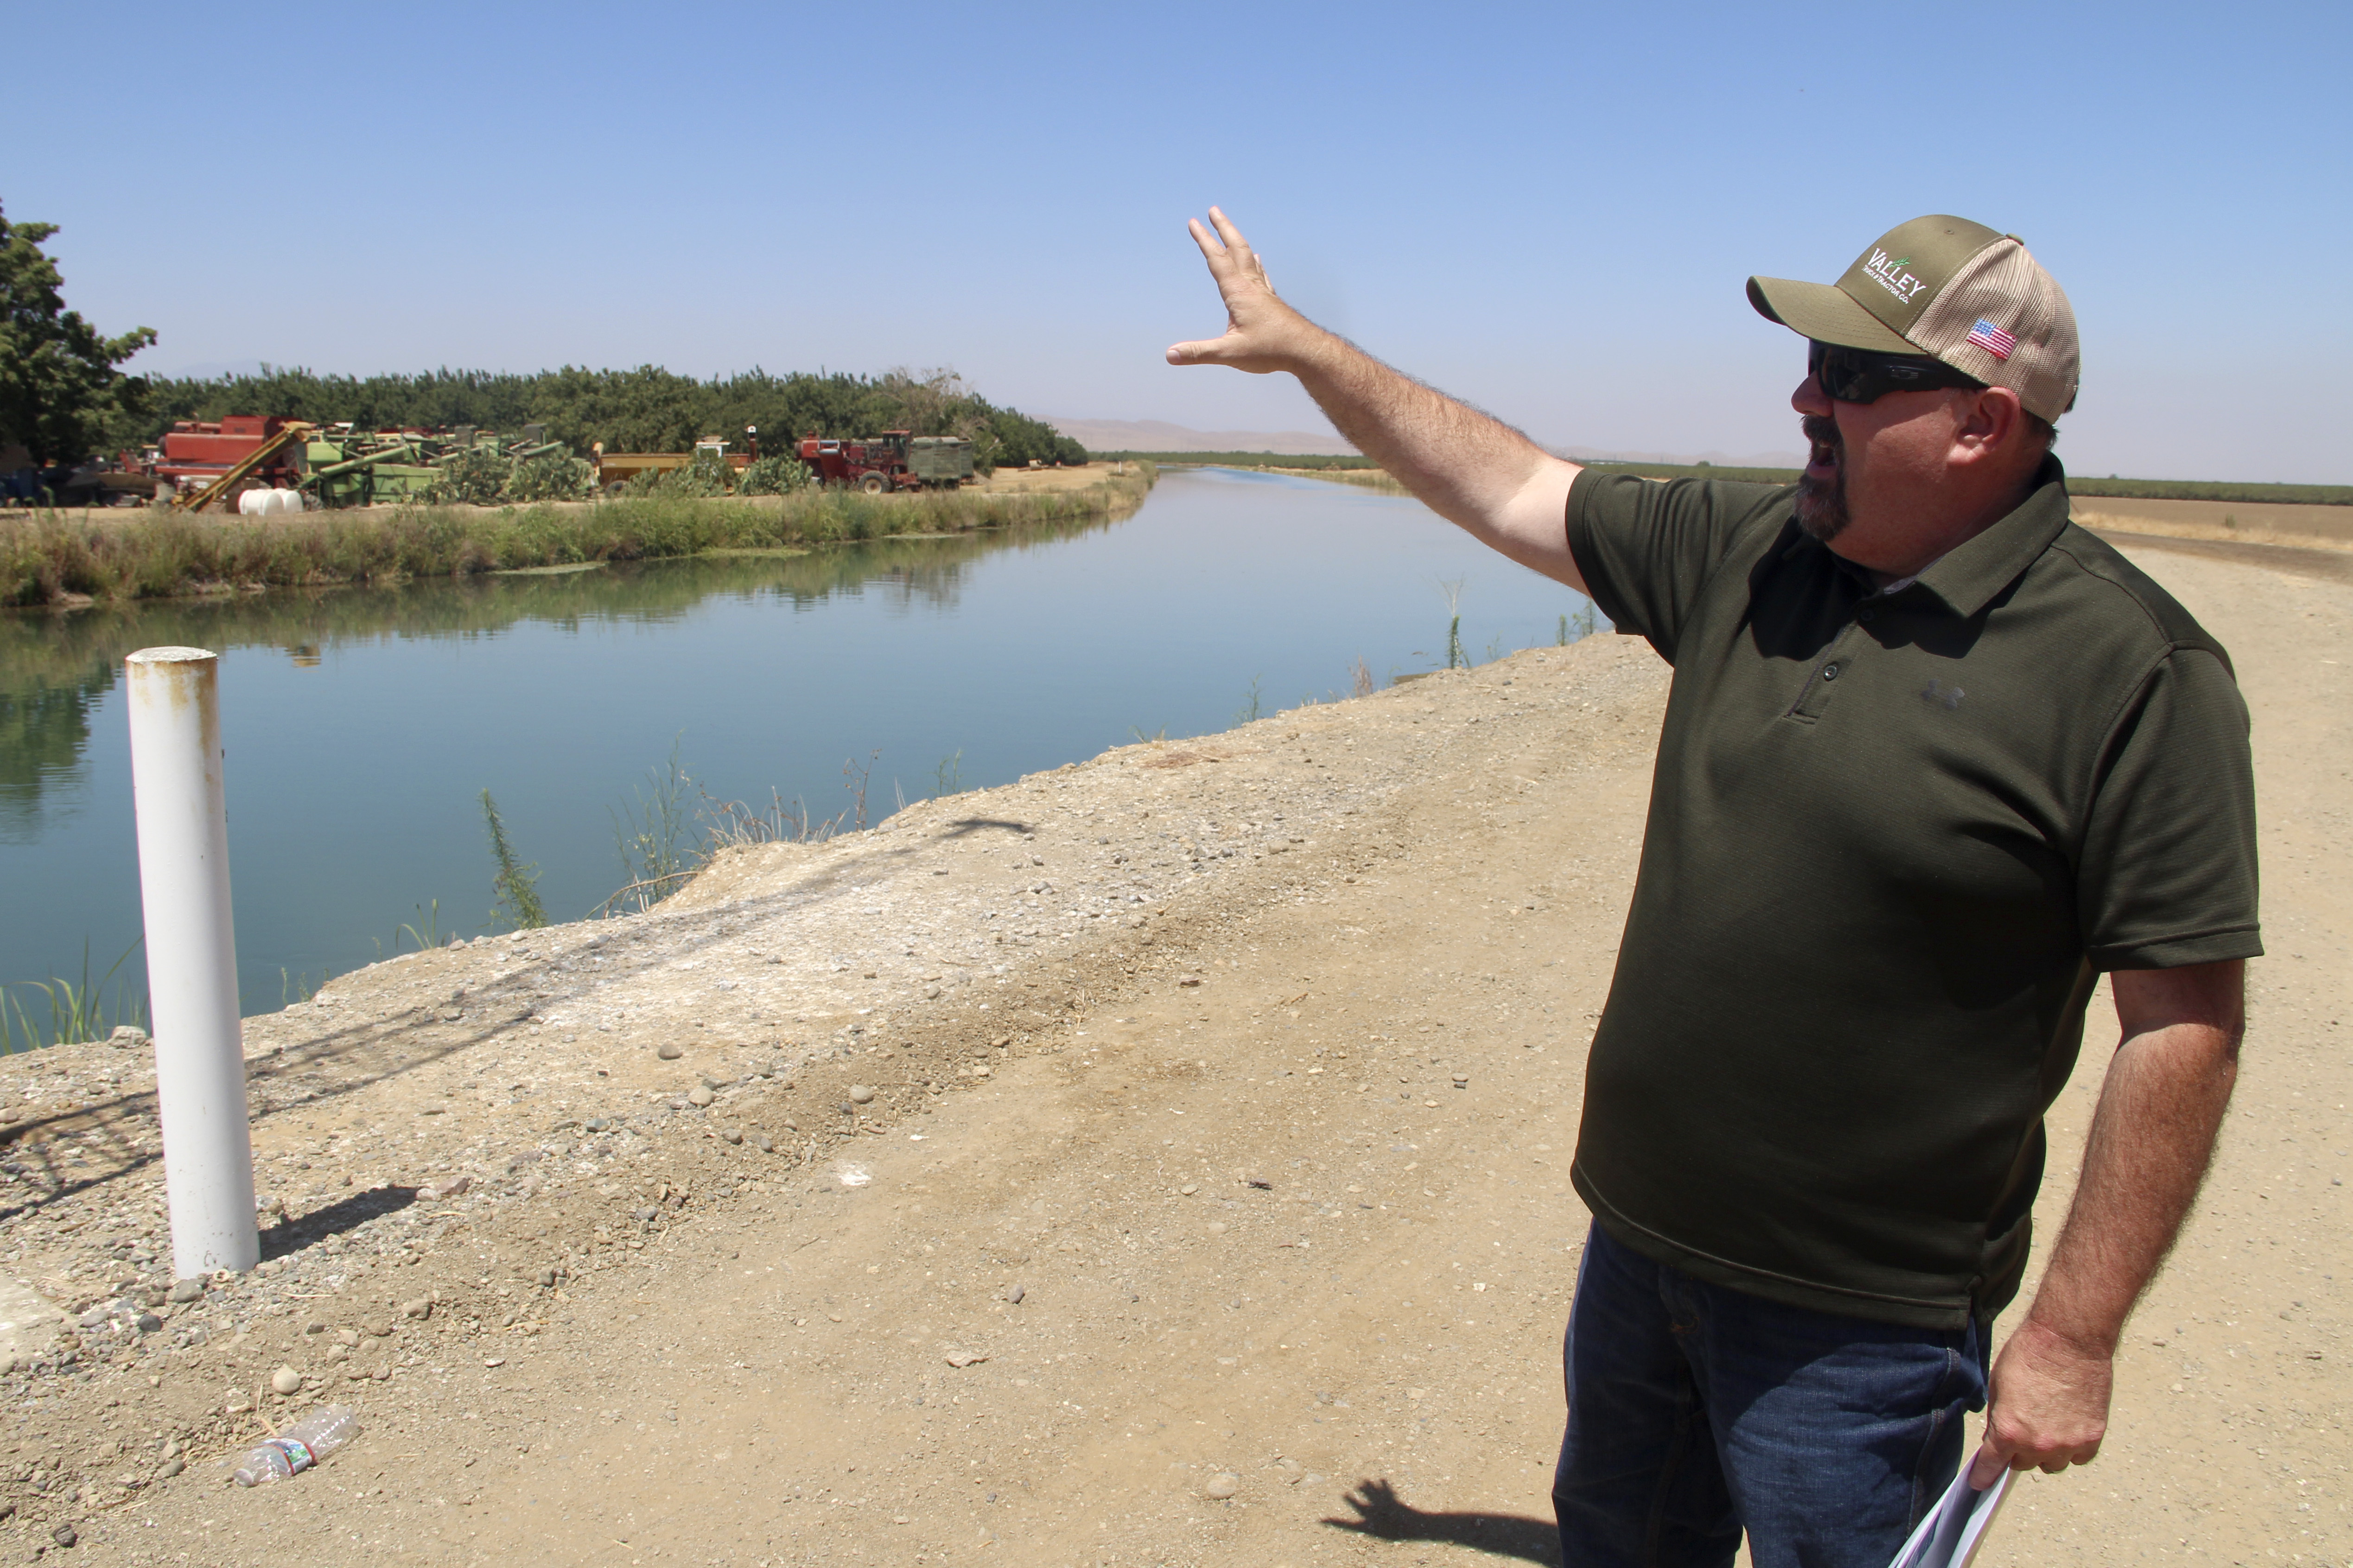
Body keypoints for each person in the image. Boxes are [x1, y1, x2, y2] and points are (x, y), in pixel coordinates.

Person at [1169, 210, 2259, 1568]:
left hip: (1864, 1327)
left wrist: (2071, 1333)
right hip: (1639, 1252)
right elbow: (1513, 490)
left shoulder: (2133, 670)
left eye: (1853, 379)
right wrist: (1308, 355)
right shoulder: (1752, 554)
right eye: (1812, 361)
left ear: (1982, 425)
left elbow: (2180, 1021)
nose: (1806, 396)